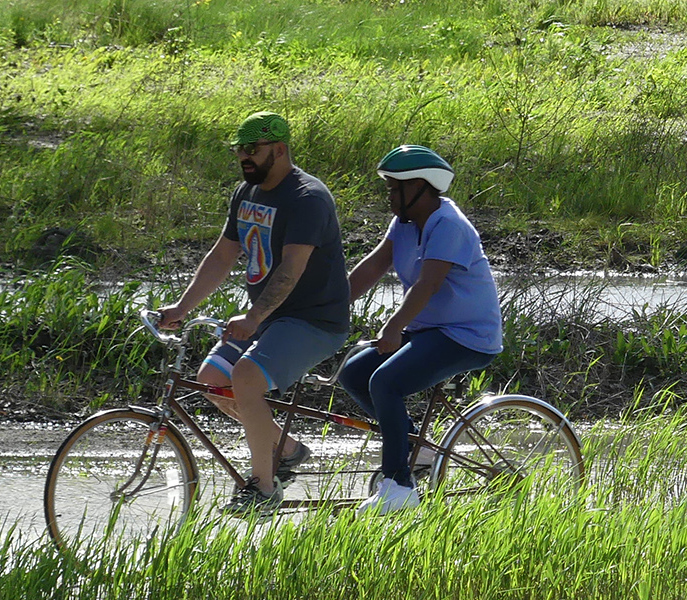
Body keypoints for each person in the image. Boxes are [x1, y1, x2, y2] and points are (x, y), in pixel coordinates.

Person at [157, 111, 352, 514]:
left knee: (245, 377)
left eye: (253, 150)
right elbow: (222, 255)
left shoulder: (307, 198)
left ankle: (263, 489)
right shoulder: (246, 194)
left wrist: (254, 318)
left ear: (279, 150)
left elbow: (291, 269)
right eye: (239, 150)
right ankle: (287, 449)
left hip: (314, 320)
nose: (244, 157)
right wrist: (181, 307)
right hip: (269, 316)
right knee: (212, 380)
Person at [342, 145, 504, 514]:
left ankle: (398, 486)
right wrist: (330, 307)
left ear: (422, 186)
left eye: (395, 187)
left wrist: (393, 327)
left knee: (385, 382)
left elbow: (428, 284)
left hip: (466, 336)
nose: (389, 195)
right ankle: (419, 451)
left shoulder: (449, 224)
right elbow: (373, 267)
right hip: (429, 330)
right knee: (354, 373)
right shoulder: (404, 223)